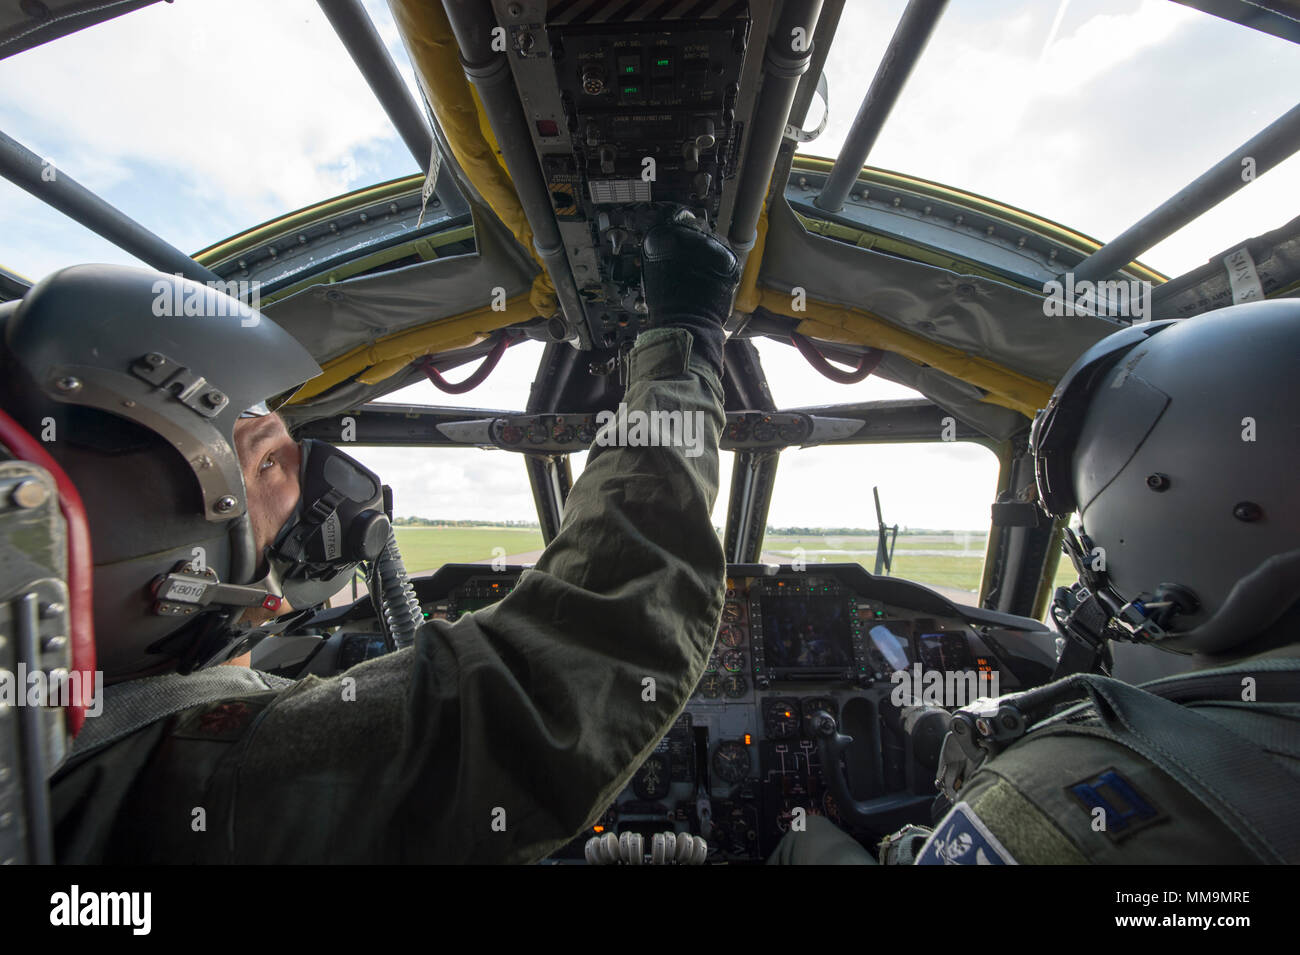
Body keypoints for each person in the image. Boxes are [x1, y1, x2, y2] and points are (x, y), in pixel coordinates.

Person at [0, 217, 742, 863]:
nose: (312, 486)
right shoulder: (214, 777)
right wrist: (684, 341)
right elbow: (582, 659)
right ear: (163, 560)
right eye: (268, 462)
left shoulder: (75, 758)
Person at [771, 299, 1300, 865]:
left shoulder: (1064, 785)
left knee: (807, 838)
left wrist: (906, 846)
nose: (1092, 565)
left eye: (1092, 537)